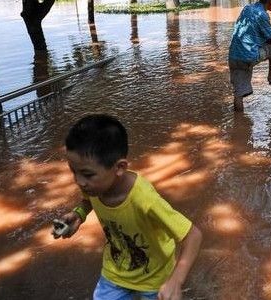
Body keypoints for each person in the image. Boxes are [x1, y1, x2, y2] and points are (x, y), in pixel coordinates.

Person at [54, 114, 202, 300]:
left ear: (119, 167)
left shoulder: (144, 199)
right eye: (73, 171)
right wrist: (79, 214)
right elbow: (88, 201)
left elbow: (193, 235)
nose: (79, 181)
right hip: (115, 273)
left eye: (87, 174)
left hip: (154, 277)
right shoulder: (95, 187)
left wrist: (176, 281)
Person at [228, 0, 271, 111]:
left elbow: (252, 31)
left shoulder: (247, 8)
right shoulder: (262, 15)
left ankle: (239, 124)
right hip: (248, 57)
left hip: (233, 56)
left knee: (238, 94)